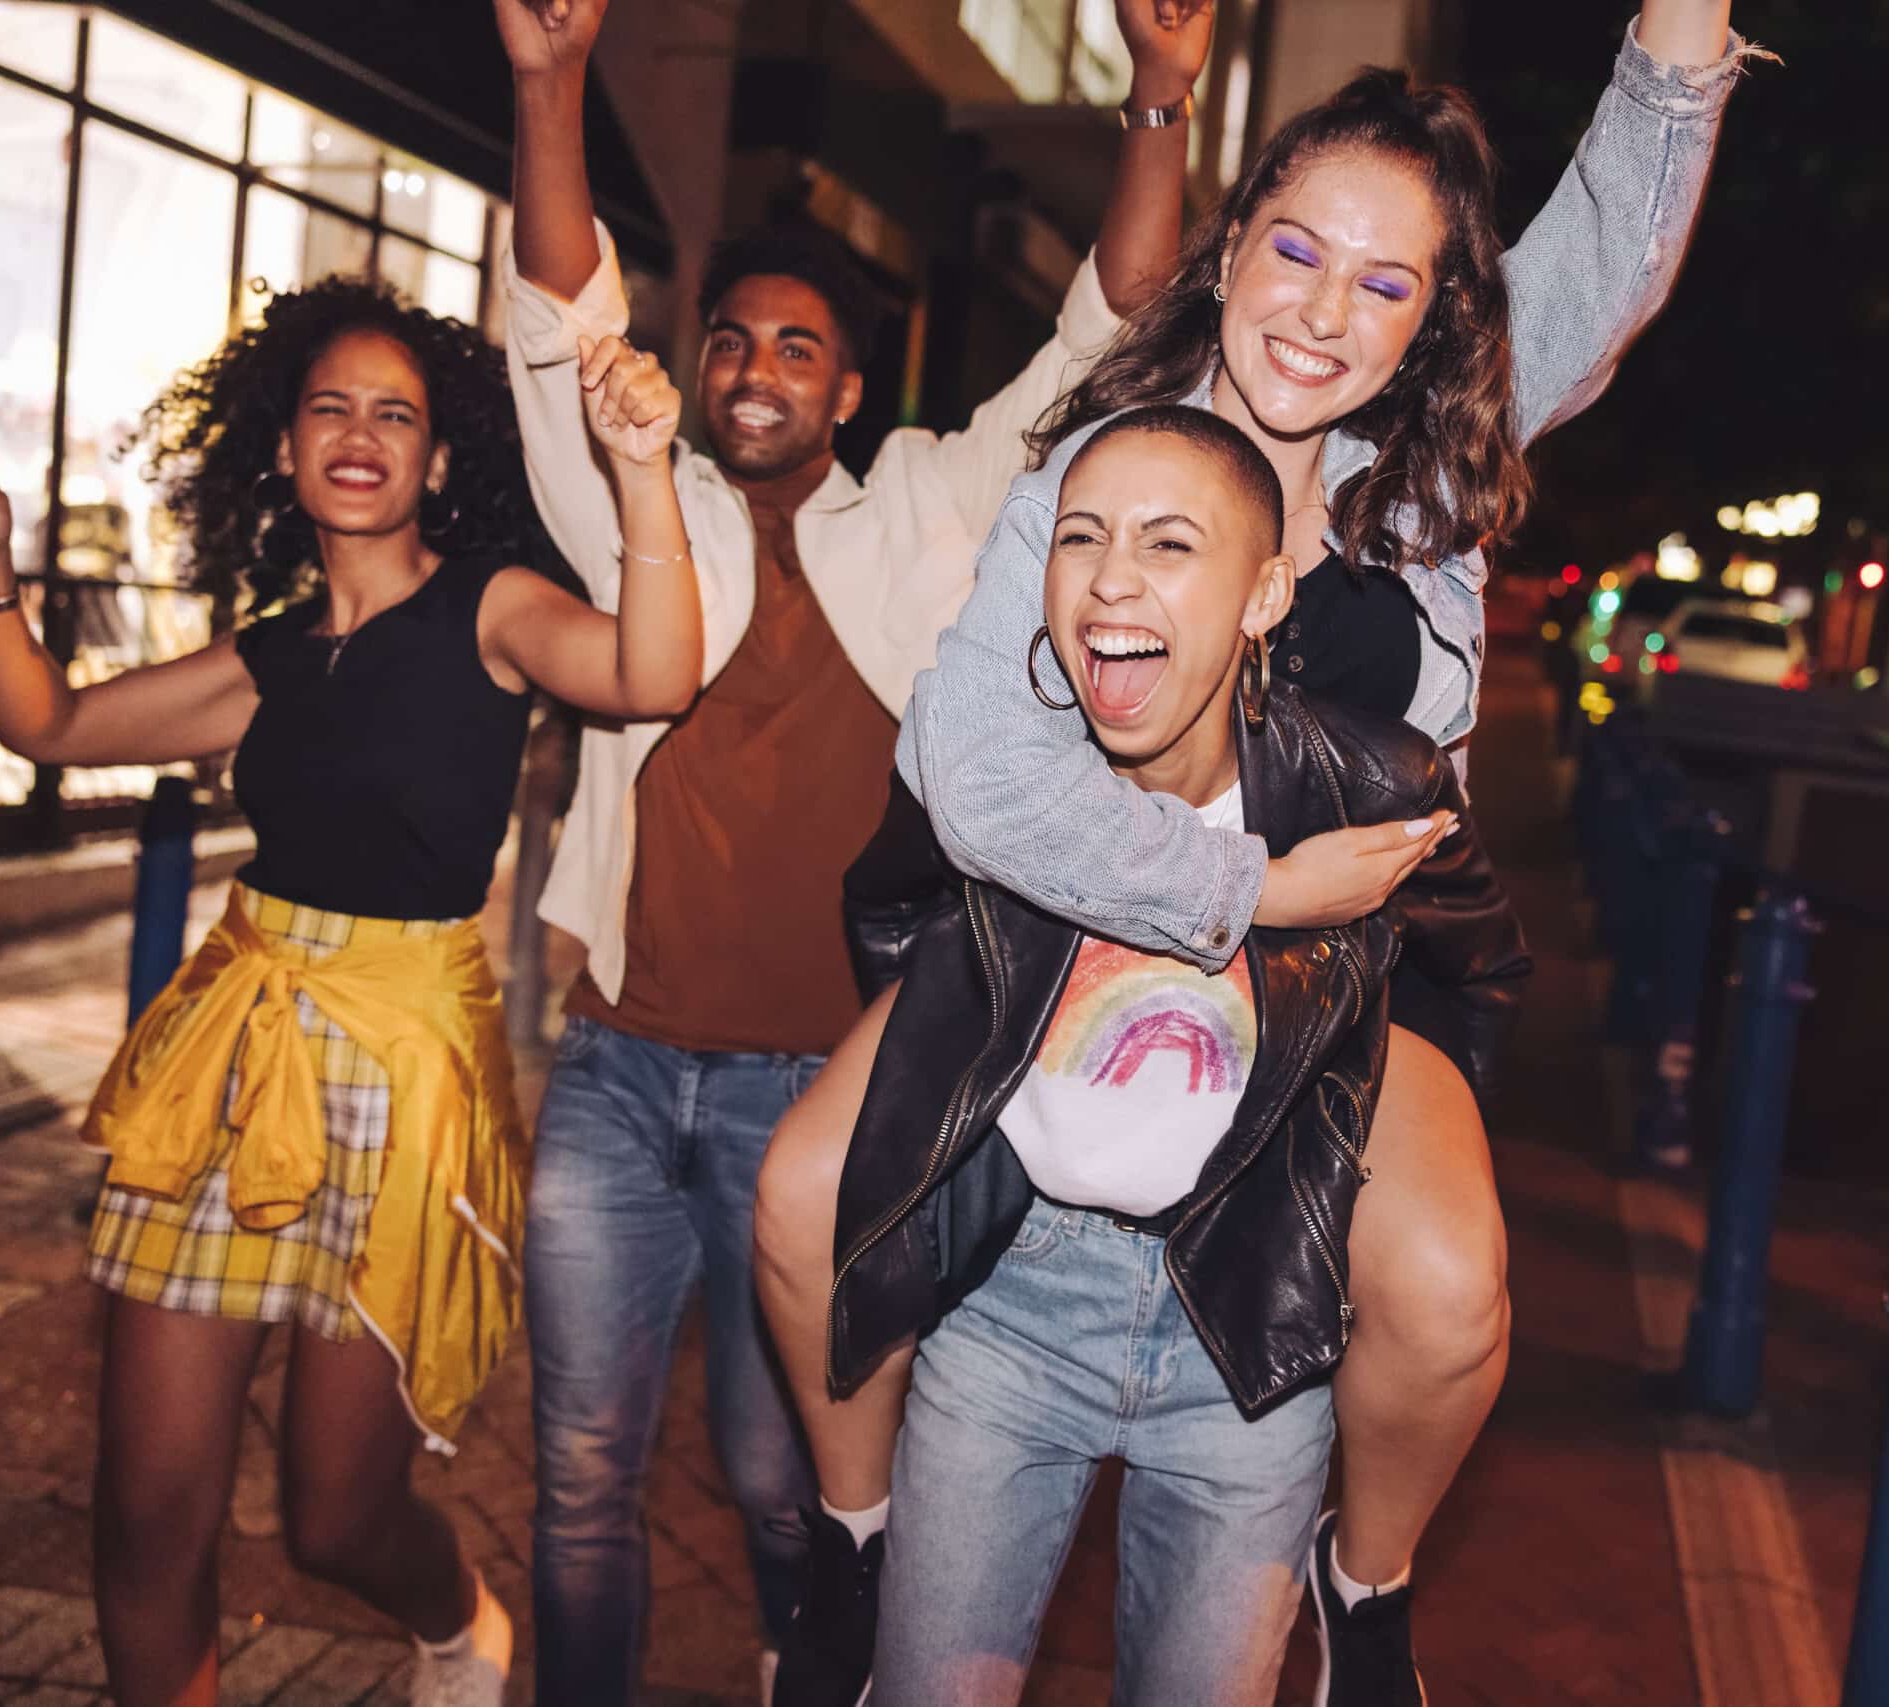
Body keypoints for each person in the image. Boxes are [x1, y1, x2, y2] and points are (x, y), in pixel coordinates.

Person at [754, 7, 1757, 1702]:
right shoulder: (1100, 463)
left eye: (1385, 281)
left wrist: (1683, 37)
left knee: (1449, 1285)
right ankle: (853, 1541)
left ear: (1433, 319)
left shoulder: (1423, 481)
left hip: (1343, 976)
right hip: (1073, 932)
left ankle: (1368, 1587)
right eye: (1297, 249)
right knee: (800, 1196)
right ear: (1232, 248)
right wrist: (1243, 887)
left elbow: (1614, 244)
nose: (1324, 309)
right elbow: (969, 765)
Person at [487, 1, 1215, 1698]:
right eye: (733, 340)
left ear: (852, 386)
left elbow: (1106, 331)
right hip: (614, 1073)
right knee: (579, 1479)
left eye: (799, 348)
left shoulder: (925, 509)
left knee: (784, 1473)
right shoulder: (632, 496)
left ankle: (797, 1665)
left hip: (815, 1093)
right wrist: (552, 80)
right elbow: (558, 311)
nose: (757, 370)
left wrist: (1160, 94)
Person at [0, 278, 701, 1707]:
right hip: (233, 1054)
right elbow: (50, 720)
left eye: (395, 415)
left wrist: (642, 469)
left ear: (438, 461)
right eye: (330, 407)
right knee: (147, 1505)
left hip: (403, 1075)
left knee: (333, 1518)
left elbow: (654, 672)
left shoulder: (492, 609)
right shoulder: (272, 652)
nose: (359, 434)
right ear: (284, 449)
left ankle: (457, 1619)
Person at [829, 405, 1528, 1704]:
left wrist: (1373, 1153)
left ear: (1263, 595)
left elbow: (1476, 966)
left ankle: (1362, 1591)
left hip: (1249, 1335)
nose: (1111, 578)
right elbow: (889, 909)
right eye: (1079, 537)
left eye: (1168, 542)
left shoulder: (1369, 783)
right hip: (1009, 1316)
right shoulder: (1002, 784)